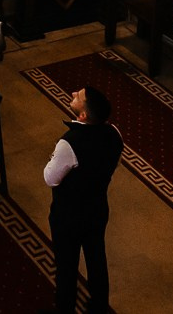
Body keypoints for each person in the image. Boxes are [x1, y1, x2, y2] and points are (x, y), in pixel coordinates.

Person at [45, 86, 122, 314]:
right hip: (97, 208)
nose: (73, 94)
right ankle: (98, 305)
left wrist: (53, 158)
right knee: (96, 257)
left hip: (68, 215)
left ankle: (65, 309)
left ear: (83, 115)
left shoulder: (69, 143)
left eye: (79, 96)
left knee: (66, 265)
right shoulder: (114, 133)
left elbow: (50, 178)